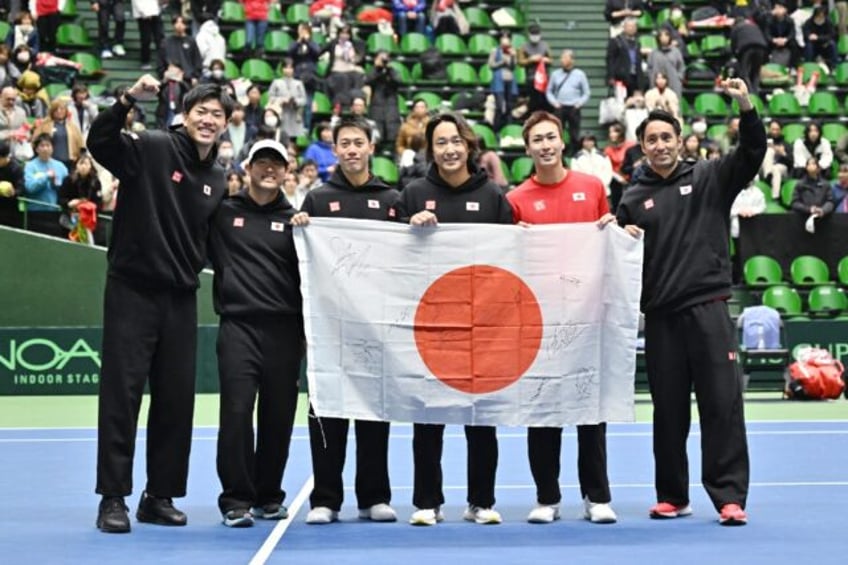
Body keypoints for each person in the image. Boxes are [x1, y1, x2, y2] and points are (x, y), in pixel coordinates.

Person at [616, 78, 765, 527]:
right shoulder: (632, 198)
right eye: (651, 140)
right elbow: (620, 258)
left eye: (666, 137)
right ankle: (672, 495)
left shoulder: (710, 176)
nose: (659, 145)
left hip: (709, 309)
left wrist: (745, 106)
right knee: (669, 412)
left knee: (722, 405)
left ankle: (728, 498)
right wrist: (616, 233)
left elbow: (752, 154)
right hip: (661, 319)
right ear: (642, 147)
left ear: (680, 141)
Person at [88, 76, 234, 534]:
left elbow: (219, 242)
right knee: (122, 395)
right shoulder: (151, 146)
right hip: (132, 290)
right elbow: (100, 142)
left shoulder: (217, 177)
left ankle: (159, 496)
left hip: (180, 298)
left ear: (227, 124)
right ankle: (113, 498)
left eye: (217, 115)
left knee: (175, 400)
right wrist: (128, 99)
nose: (208, 120)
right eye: (201, 112)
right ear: (185, 114)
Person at [395, 112, 512, 527]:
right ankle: (427, 502)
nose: (449, 149)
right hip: (431, 326)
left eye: (455, 141)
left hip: (482, 327)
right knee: (428, 419)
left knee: (481, 420)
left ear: (469, 146)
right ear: (432, 149)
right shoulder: (412, 193)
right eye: (440, 142)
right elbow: (390, 255)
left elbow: (512, 256)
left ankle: (481, 501)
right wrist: (409, 226)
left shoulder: (495, 196)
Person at [506, 110, 620, 525]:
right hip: (540, 323)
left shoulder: (591, 188)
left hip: (588, 317)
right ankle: (547, 497)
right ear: (528, 146)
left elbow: (607, 243)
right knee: (543, 412)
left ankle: (597, 496)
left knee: (590, 410)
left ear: (562, 141)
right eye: (537, 139)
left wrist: (611, 227)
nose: (545, 145)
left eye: (551, 137)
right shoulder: (516, 200)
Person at [290, 117, 400, 525]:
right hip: (329, 329)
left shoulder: (391, 199)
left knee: (374, 412)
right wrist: (299, 229)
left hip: (378, 327)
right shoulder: (317, 200)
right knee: (327, 414)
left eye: (358, 142)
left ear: (370, 147)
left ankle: (374, 496)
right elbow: (300, 263)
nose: (352, 150)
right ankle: (326, 498)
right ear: (334, 151)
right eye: (344, 144)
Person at [207, 139, 302, 528]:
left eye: (276, 164)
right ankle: (235, 499)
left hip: (285, 331)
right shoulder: (223, 214)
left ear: (286, 172)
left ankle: (268, 496)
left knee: (279, 417)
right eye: (261, 162)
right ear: (247, 168)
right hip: (238, 328)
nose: (269, 169)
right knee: (236, 412)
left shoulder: (298, 222)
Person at [22, 132, 69, 236]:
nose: (45, 149)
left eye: (48, 145)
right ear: (36, 149)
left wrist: (55, 184)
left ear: (52, 148)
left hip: (55, 212)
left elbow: (67, 190)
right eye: (42, 146)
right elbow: (29, 187)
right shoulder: (30, 166)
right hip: (35, 212)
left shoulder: (61, 167)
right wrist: (45, 177)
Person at [546, 49, 590, 156]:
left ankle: (574, 153)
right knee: (558, 131)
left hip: (574, 107)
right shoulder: (555, 74)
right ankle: (558, 152)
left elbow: (586, 92)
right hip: (560, 107)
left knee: (574, 133)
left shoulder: (580, 74)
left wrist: (579, 103)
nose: (562, 60)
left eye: (565, 57)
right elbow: (549, 91)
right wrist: (554, 103)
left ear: (572, 60)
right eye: (562, 57)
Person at [58, 152, 106, 244]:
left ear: (90, 166)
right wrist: (69, 204)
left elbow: (99, 203)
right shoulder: (68, 180)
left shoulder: (95, 182)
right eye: (81, 163)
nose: (83, 166)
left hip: (88, 221)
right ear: (76, 165)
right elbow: (60, 199)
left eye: (86, 164)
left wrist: (88, 206)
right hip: (69, 219)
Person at [31, 97, 85, 169]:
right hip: (49, 163)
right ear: (52, 111)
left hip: (70, 163)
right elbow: (35, 142)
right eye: (56, 109)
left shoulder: (73, 127)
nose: (59, 111)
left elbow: (81, 146)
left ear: (66, 111)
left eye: (62, 109)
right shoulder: (44, 126)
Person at [364, 50, 400, 149]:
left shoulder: (392, 71)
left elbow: (398, 81)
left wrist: (389, 70)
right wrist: (377, 69)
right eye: (381, 58)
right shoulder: (373, 71)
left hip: (391, 106)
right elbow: (367, 80)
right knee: (377, 135)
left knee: (392, 133)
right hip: (376, 105)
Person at [516, 23, 553, 113]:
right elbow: (520, 62)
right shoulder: (524, 47)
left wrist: (545, 59)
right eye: (533, 34)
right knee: (533, 103)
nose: (535, 36)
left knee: (545, 103)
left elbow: (551, 60)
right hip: (531, 79)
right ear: (529, 34)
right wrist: (530, 60)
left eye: (537, 34)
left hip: (544, 79)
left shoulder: (545, 45)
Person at [157, 15, 203, 85]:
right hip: (170, 78)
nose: (179, 25)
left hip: (188, 78)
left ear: (186, 25)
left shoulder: (191, 41)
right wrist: (163, 74)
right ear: (173, 24)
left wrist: (195, 76)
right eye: (177, 22)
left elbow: (197, 60)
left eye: (182, 22)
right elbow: (161, 60)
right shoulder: (166, 42)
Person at [268, 58, 307, 140]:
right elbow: (271, 98)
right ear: (282, 69)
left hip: (294, 114)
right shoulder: (276, 82)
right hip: (281, 114)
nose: (288, 70)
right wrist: (281, 100)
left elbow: (304, 99)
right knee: (280, 138)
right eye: (286, 67)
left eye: (290, 68)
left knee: (293, 141)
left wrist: (296, 101)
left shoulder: (298, 83)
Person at [729, 16, 769, 95]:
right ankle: (756, 92)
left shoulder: (736, 28)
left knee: (744, 73)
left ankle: (749, 93)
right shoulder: (754, 26)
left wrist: (736, 57)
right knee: (756, 72)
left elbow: (733, 45)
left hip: (746, 48)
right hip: (761, 48)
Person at [606, 18, 645, 97]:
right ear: (624, 27)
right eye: (629, 26)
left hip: (635, 77)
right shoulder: (616, 41)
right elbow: (610, 59)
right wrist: (611, 76)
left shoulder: (637, 43)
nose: (631, 28)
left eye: (633, 26)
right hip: (620, 77)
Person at [488, 32, 518, 132]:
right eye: (503, 38)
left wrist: (513, 57)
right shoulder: (495, 50)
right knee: (500, 107)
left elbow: (513, 67)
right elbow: (491, 65)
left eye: (507, 38)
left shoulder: (512, 51)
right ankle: (496, 130)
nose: (505, 40)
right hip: (499, 81)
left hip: (510, 80)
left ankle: (508, 130)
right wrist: (501, 62)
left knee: (509, 107)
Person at [646, 28, 685, 98]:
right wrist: (652, 77)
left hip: (673, 84)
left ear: (669, 37)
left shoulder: (676, 52)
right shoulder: (653, 53)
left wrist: (678, 78)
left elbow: (681, 67)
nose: (664, 38)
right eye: (661, 36)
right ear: (658, 38)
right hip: (656, 85)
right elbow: (649, 68)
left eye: (666, 35)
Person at [761, 119, 792, 199]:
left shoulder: (786, 144)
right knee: (769, 151)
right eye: (773, 129)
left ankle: (775, 197)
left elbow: (791, 162)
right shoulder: (762, 142)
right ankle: (768, 175)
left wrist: (783, 153)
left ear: (781, 130)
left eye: (777, 129)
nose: (775, 132)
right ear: (769, 129)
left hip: (782, 168)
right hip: (764, 168)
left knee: (776, 168)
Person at [132, 0, 165, 71]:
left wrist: (161, 5)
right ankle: (145, 61)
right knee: (146, 39)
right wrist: (145, 13)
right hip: (143, 15)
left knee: (160, 37)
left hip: (156, 12)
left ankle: (163, 62)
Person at [0, 139, 24, 228]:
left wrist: (13, 192)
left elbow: (21, 188)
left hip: (10, 211)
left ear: (5, 157)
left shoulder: (15, 169)